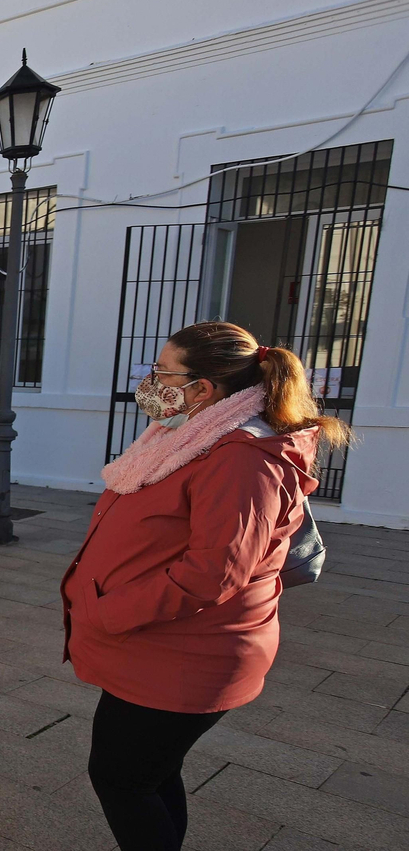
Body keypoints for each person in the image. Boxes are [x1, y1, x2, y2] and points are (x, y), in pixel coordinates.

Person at [61, 321, 352, 851]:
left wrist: (109, 610)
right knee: (149, 774)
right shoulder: (192, 433)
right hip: (157, 643)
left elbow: (213, 573)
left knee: (123, 780)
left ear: (205, 389)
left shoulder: (241, 458)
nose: (150, 382)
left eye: (162, 372)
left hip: (186, 653)